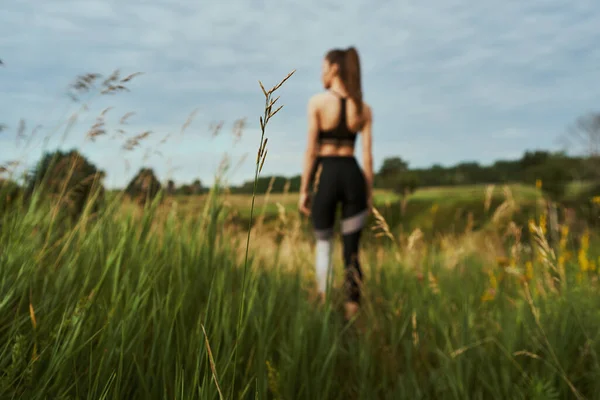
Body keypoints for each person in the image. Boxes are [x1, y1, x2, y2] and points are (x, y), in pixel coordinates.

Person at [298, 47, 374, 320]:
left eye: (323, 67)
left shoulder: (317, 103)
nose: (321, 73)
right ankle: (352, 317)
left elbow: (311, 151)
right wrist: (369, 192)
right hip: (353, 175)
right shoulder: (363, 108)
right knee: (351, 253)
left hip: (327, 175)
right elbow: (367, 156)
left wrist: (304, 189)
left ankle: (322, 306)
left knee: (324, 247)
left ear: (333, 69)